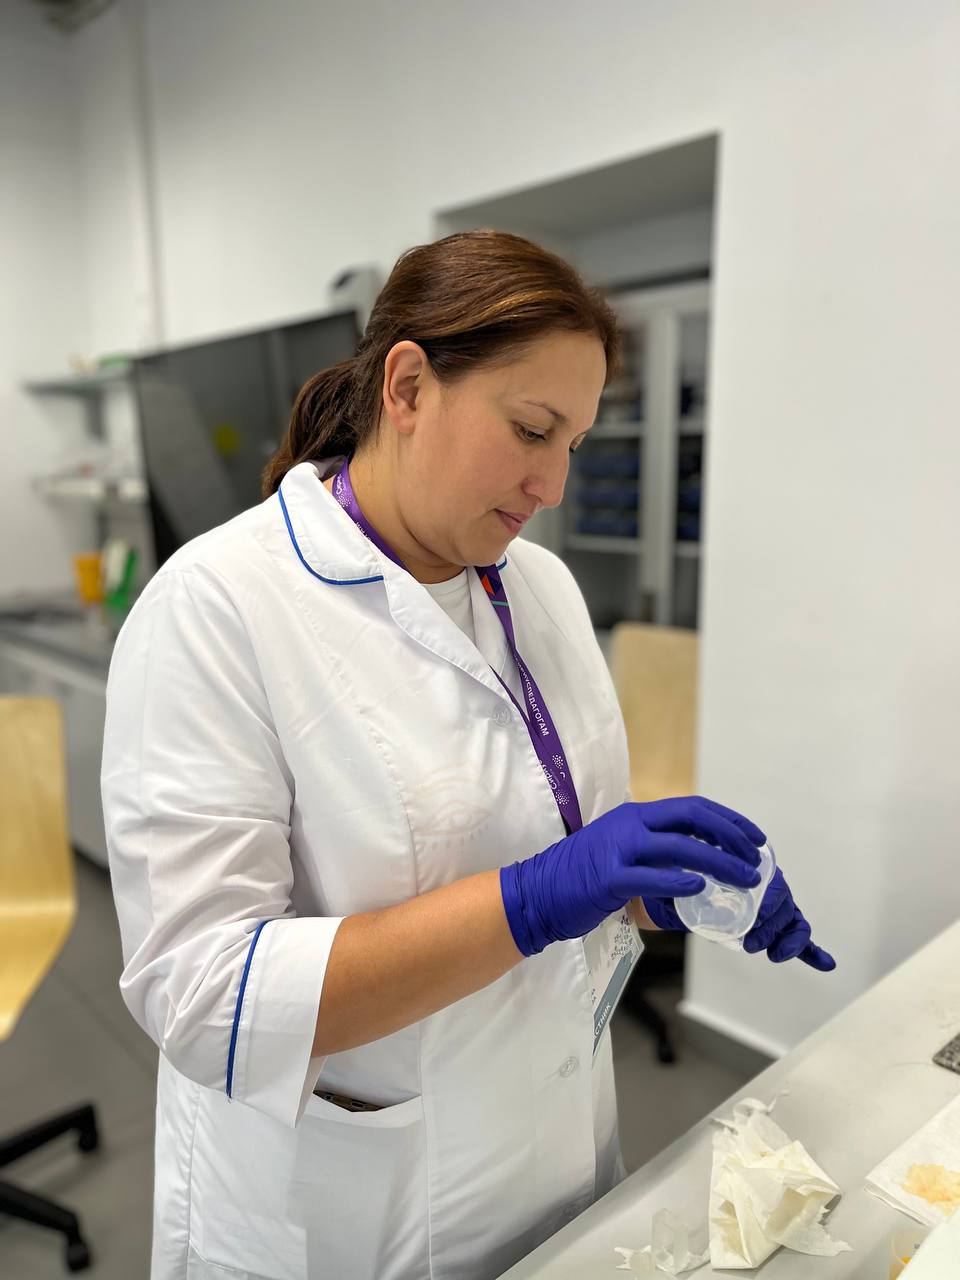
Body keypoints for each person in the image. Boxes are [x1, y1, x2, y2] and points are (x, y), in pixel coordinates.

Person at [102, 228, 834, 1280]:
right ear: (407, 385)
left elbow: (561, 839)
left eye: (574, 442)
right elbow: (205, 994)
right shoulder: (217, 607)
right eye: (532, 429)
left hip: (552, 1147)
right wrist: (538, 895)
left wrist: (662, 891)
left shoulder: (541, 587)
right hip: (355, 1202)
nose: (553, 484)